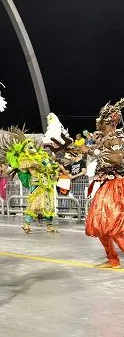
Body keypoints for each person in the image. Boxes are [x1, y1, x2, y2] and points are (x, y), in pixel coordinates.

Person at [78, 99, 124, 268]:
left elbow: (117, 158)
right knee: (100, 222)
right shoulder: (104, 138)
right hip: (107, 185)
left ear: (108, 121)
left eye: (99, 118)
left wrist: (91, 151)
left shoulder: (117, 136)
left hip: (117, 185)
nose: (96, 121)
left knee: (113, 224)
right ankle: (112, 259)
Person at [0, 128, 59, 233]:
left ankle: (49, 225)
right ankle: (26, 224)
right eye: (29, 147)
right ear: (25, 149)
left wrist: (52, 170)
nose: (32, 148)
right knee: (35, 205)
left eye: (32, 146)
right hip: (36, 184)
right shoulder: (25, 159)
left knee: (49, 204)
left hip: (46, 184)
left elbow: (50, 168)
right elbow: (31, 168)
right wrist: (39, 165)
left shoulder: (42, 157)